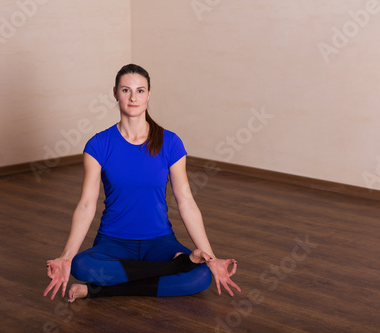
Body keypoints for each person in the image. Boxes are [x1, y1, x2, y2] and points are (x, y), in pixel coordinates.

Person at [43, 64, 241, 302]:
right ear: (115, 93)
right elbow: (86, 204)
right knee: (81, 266)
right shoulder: (98, 145)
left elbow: (186, 201)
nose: (133, 97)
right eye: (126, 90)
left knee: (201, 276)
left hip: (159, 242)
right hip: (113, 242)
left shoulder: (170, 142)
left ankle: (100, 290)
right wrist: (66, 257)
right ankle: (176, 267)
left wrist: (211, 256)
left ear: (149, 94)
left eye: (140, 90)